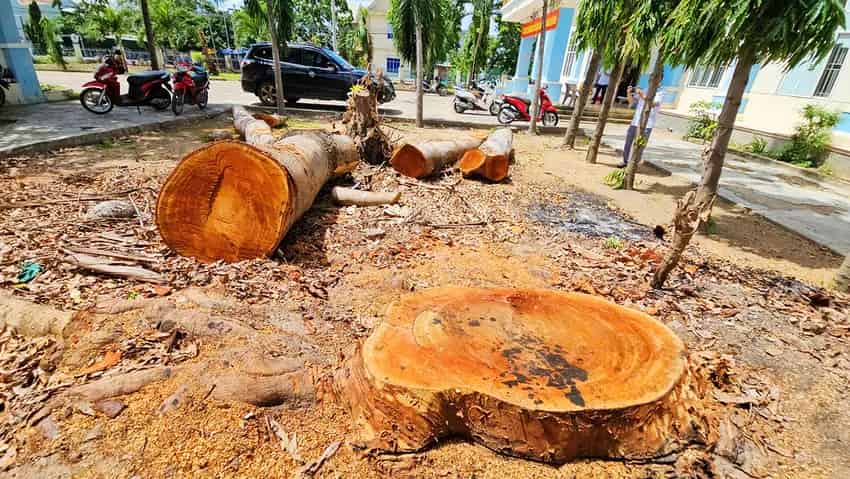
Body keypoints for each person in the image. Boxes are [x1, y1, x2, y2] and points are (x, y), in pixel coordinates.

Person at [620, 87, 663, 168]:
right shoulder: (645, 89)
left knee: (640, 145)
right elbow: (632, 103)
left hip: (647, 124)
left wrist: (641, 94)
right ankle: (625, 161)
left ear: (659, 79)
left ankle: (633, 164)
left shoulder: (660, 92)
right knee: (628, 142)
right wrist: (628, 93)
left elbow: (653, 104)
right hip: (635, 121)